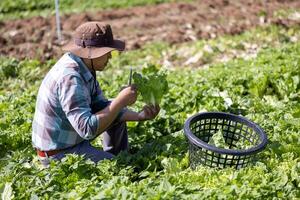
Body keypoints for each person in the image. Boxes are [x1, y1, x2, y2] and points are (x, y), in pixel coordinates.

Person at [32, 21, 160, 167]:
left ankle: (114, 156)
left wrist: (140, 116)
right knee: (122, 168)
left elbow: (101, 107)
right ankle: (114, 161)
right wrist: (120, 101)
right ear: (90, 53)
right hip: (57, 155)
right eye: (106, 53)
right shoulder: (70, 78)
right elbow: (87, 129)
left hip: (73, 143)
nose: (110, 58)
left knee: (113, 111)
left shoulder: (84, 66)